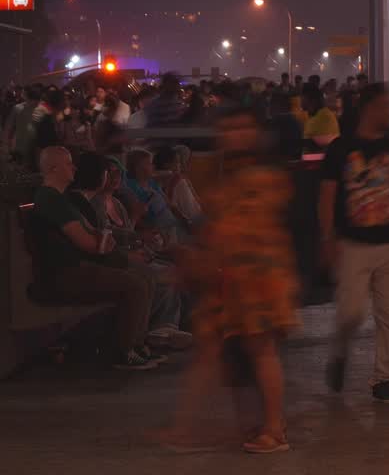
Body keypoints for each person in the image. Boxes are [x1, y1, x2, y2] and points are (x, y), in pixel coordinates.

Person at [171, 107, 299, 454]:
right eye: (229, 128)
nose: (235, 135)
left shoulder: (262, 174)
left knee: (259, 350)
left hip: (257, 276)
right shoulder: (223, 172)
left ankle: (273, 428)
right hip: (230, 276)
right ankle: (254, 424)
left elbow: (246, 227)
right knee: (223, 352)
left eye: (243, 127)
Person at [320, 83, 389, 405]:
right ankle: (340, 349)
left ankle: (384, 378)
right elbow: (327, 197)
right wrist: (327, 238)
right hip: (353, 244)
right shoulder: (341, 149)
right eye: (384, 105)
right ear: (367, 109)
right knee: (351, 312)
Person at [29, 147, 157, 371]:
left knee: (142, 277)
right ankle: (124, 351)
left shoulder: (61, 199)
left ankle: (136, 344)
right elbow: (90, 243)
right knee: (135, 284)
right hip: (64, 273)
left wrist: (101, 241)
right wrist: (102, 243)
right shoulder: (50, 199)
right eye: (69, 163)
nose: (74, 168)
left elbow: (93, 234)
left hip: (76, 267)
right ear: (53, 168)